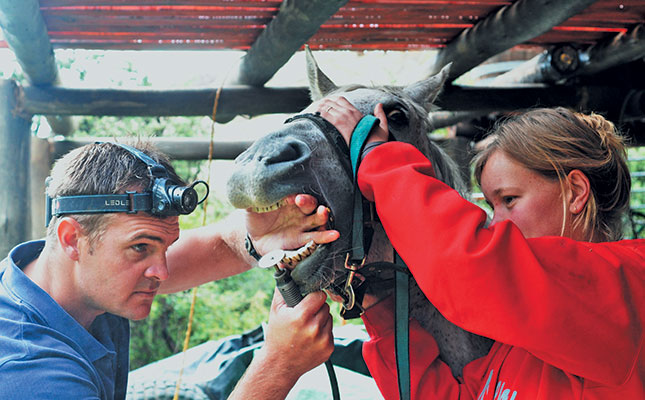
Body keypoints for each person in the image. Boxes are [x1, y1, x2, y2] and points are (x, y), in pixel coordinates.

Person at [313, 99, 644, 399]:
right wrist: (379, 308)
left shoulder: (629, 279)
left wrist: (375, 156)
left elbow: (467, 265)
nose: (495, 222)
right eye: (491, 204)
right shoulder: (517, 345)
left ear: (575, 192)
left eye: (509, 200)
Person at [0, 141, 337, 399]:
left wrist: (259, 236)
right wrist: (278, 366)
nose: (161, 271)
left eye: (166, 246)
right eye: (140, 248)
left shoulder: (56, 277)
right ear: (71, 238)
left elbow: (216, 244)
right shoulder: (32, 373)